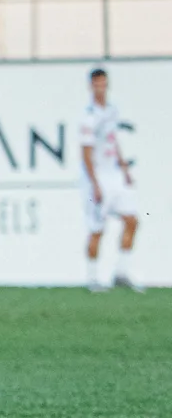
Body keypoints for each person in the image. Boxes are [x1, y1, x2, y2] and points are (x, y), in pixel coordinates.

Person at [80, 67, 142, 292]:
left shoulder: (112, 110)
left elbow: (113, 141)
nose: (101, 87)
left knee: (132, 220)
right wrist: (94, 183)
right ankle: (92, 277)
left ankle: (121, 272)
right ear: (91, 86)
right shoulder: (89, 117)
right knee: (98, 228)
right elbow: (86, 152)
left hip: (115, 175)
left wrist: (124, 169)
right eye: (97, 83)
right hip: (98, 178)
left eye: (103, 83)